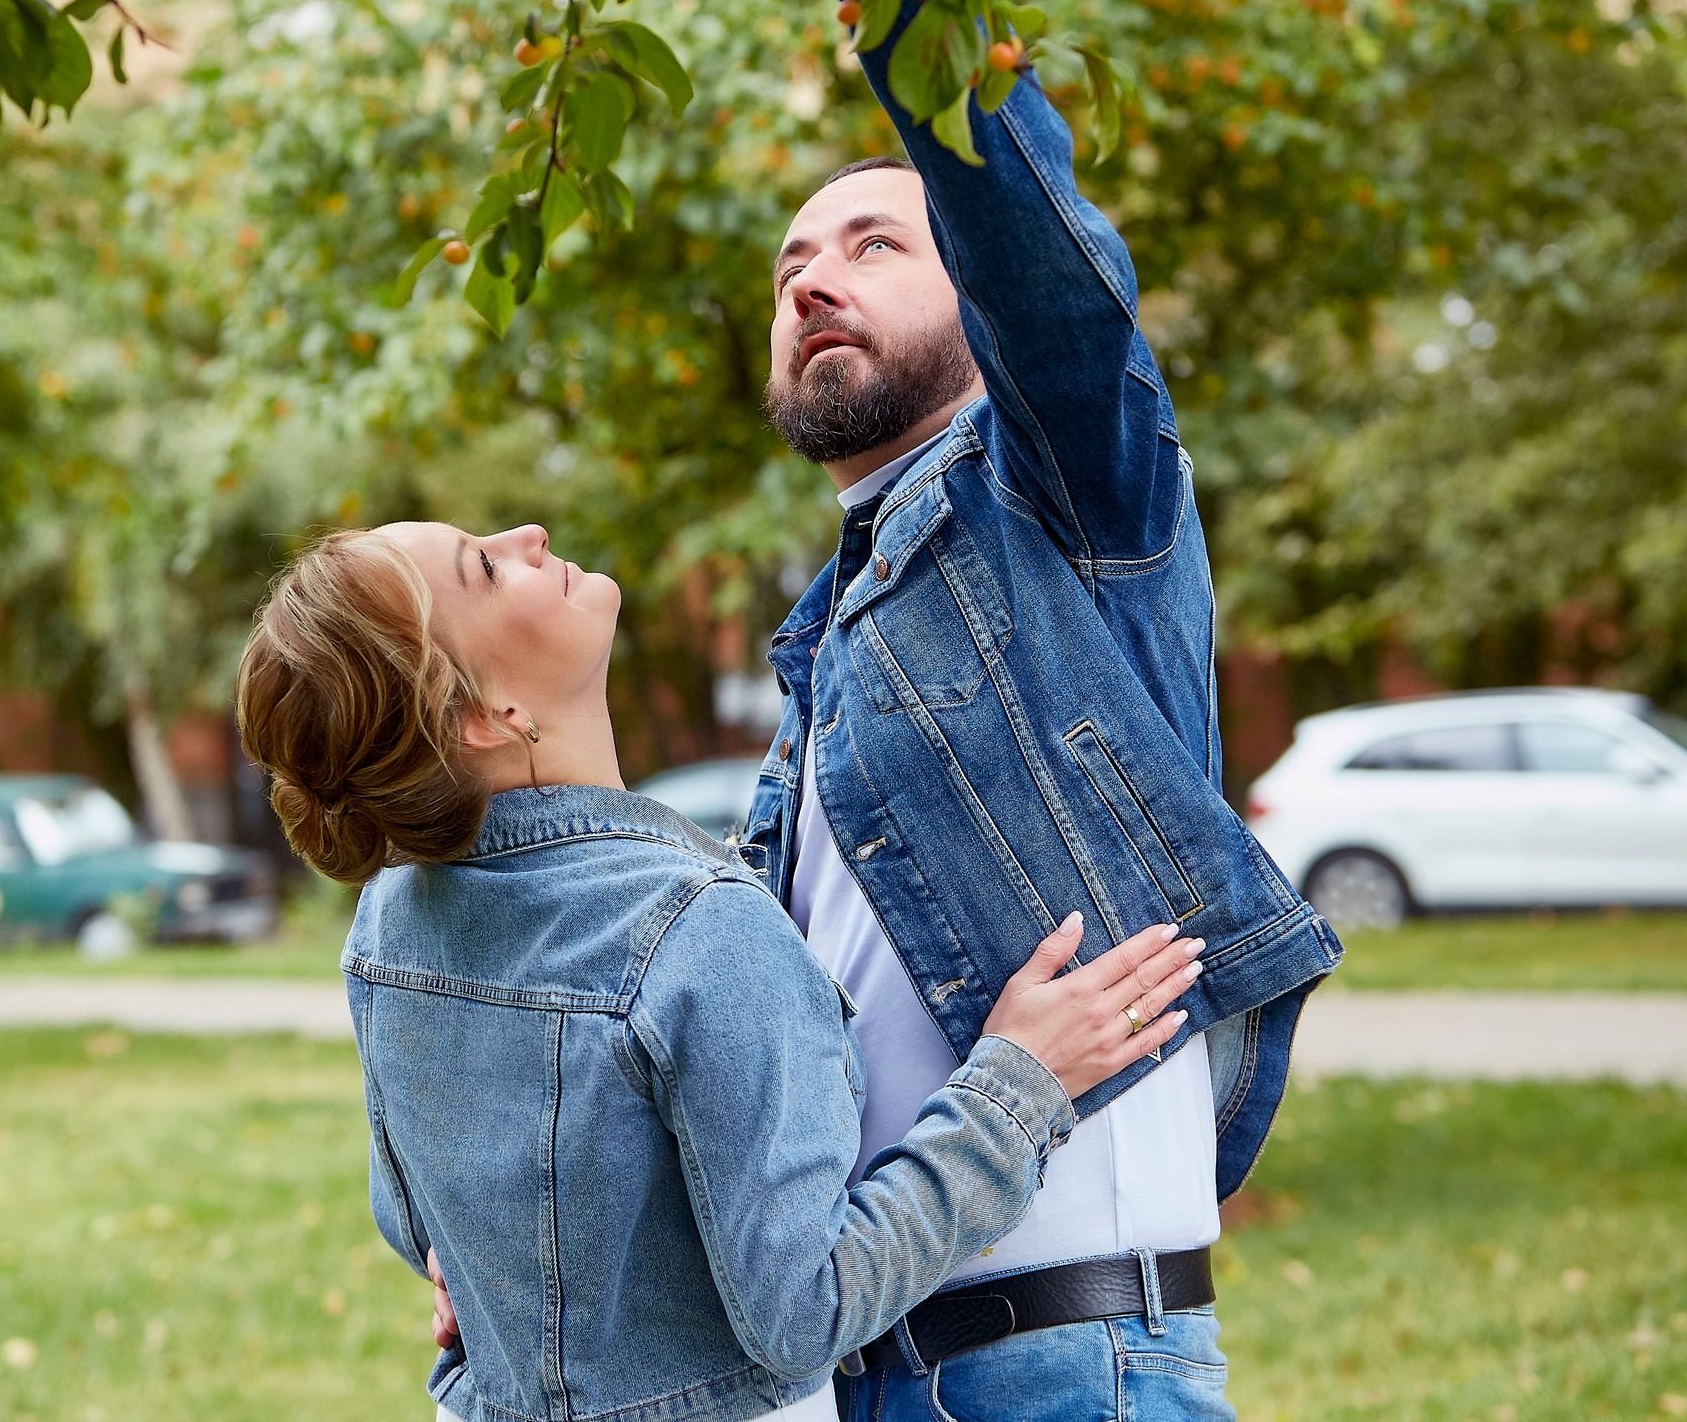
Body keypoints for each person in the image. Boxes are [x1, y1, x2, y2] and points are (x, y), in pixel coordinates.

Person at [724, 0, 1347, 1417]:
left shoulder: (1069, 493)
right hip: (858, 1365)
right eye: (790, 264)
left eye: (874, 241)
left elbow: (1011, 205)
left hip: (1072, 1366)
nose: (813, 279)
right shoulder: (831, 640)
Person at [234, 524, 1212, 1422]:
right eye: (484, 569)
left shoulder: (391, 922)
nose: (525, 535)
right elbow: (805, 1310)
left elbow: (410, 1220)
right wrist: (1019, 1084)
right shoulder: (697, 929)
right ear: (490, 714)